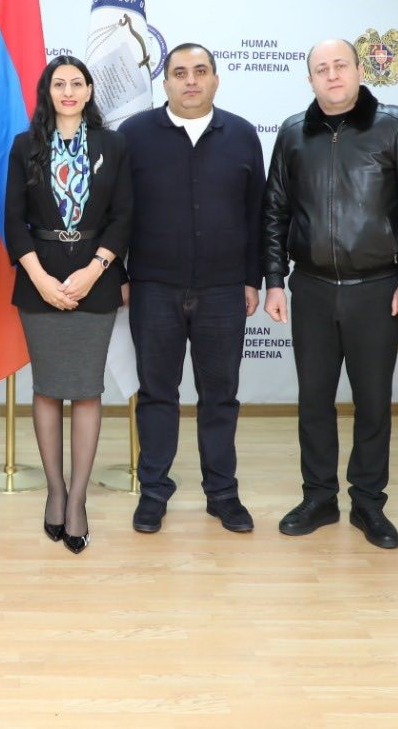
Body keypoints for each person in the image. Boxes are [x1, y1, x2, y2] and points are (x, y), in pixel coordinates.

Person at [263, 38, 398, 549]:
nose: (332, 75)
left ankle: (368, 503)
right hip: (312, 287)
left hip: (377, 288)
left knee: (373, 402)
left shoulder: (395, 125)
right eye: (321, 68)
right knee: (314, 401)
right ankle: (319, 497)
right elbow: (274, 211)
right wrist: (274, 279)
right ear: (310, 79)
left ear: (360, 70)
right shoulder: (293, 133)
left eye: (341, 65)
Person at [119, 44, 263, 536]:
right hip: (153, 288)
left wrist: (252, 278)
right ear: (165, 84)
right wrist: (120, 277)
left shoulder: (242, 134)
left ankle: (222, 494)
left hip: (224, 290)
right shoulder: (135, 134)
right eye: (179, 73)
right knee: (157, 395)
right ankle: (153, 493)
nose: (191, 81)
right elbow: (118, 213)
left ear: (216, 79)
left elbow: (257, 213)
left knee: (220, 396)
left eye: (200, 71)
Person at [5, 55, 132, 554]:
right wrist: (39, 277)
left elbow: (124, 216)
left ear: (89, 89)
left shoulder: (112, 145)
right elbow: (13, 219)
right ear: (48, 91)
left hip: (96, 279)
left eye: (77, 83)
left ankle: (77, 500)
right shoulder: (26, 145)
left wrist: (94, 269)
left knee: (84, 389)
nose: (69, 91)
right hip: (39, 279)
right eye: (59, 84)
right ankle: (54, 492)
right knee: (48, 387)